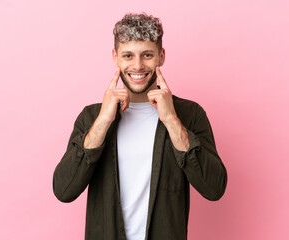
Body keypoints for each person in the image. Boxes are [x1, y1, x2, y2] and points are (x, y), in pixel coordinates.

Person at [53, 13, 227, 240]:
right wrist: (104, 120)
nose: (137, 66)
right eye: (128, 55)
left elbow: (214, 189)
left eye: (147, 55)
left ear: (161, 56)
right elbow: (64, 190)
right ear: (115, 57)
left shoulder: (190, 115)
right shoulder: (91, 117)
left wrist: (172, 121)